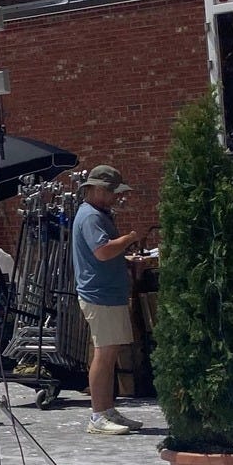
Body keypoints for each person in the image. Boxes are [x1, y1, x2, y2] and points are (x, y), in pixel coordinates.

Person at [72, 165, 146, 435]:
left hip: (107, 293)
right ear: (98, 189)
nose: (116, 198)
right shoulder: (91, 216)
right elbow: (102, 252)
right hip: (99, 294)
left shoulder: (96, 214)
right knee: (104, 354)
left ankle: (107, 409)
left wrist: (125, 259)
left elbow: (99, 255)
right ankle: (98, 415)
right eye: (113, 192)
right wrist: (128, 239)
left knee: (110, 352)